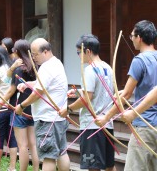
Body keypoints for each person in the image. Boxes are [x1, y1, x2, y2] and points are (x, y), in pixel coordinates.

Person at [96, 20, 157, 171]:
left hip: (144, 127)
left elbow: (127, 94)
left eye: (132, 36)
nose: (131, 39)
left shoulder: (139, 60)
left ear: (139, 37)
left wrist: (106, 118)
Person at [58, 34, 116, 171]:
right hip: (107, 122)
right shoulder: (108, 67)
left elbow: (86, 98)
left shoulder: (89, 70)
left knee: (93, 167)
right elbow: (99, 92)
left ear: (88, 51)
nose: (79, 56)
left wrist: (69, 109)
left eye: (79, 52)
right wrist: (78, 91)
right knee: (109, 166)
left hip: (92, 126)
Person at [15, 38, 70, 171]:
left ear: (45, 52)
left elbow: (38, 93)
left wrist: (22, 106)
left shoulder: (47, 67)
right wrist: (29, 84)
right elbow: (44, 85)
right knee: (61, 152)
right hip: (57, 118)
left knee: (49, 156)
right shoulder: (56, 63)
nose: (33, 58)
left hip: (48, 120)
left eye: (35, 55)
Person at [0, 39, 39, 171]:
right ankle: (36, 169)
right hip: (32, 108)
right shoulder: (35, 66)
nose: (12, 53)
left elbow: (10, 90)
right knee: (33, 145)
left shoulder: (19, 68)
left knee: (22, 145)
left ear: (17, 51)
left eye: (14, 50)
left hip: (19, 108)